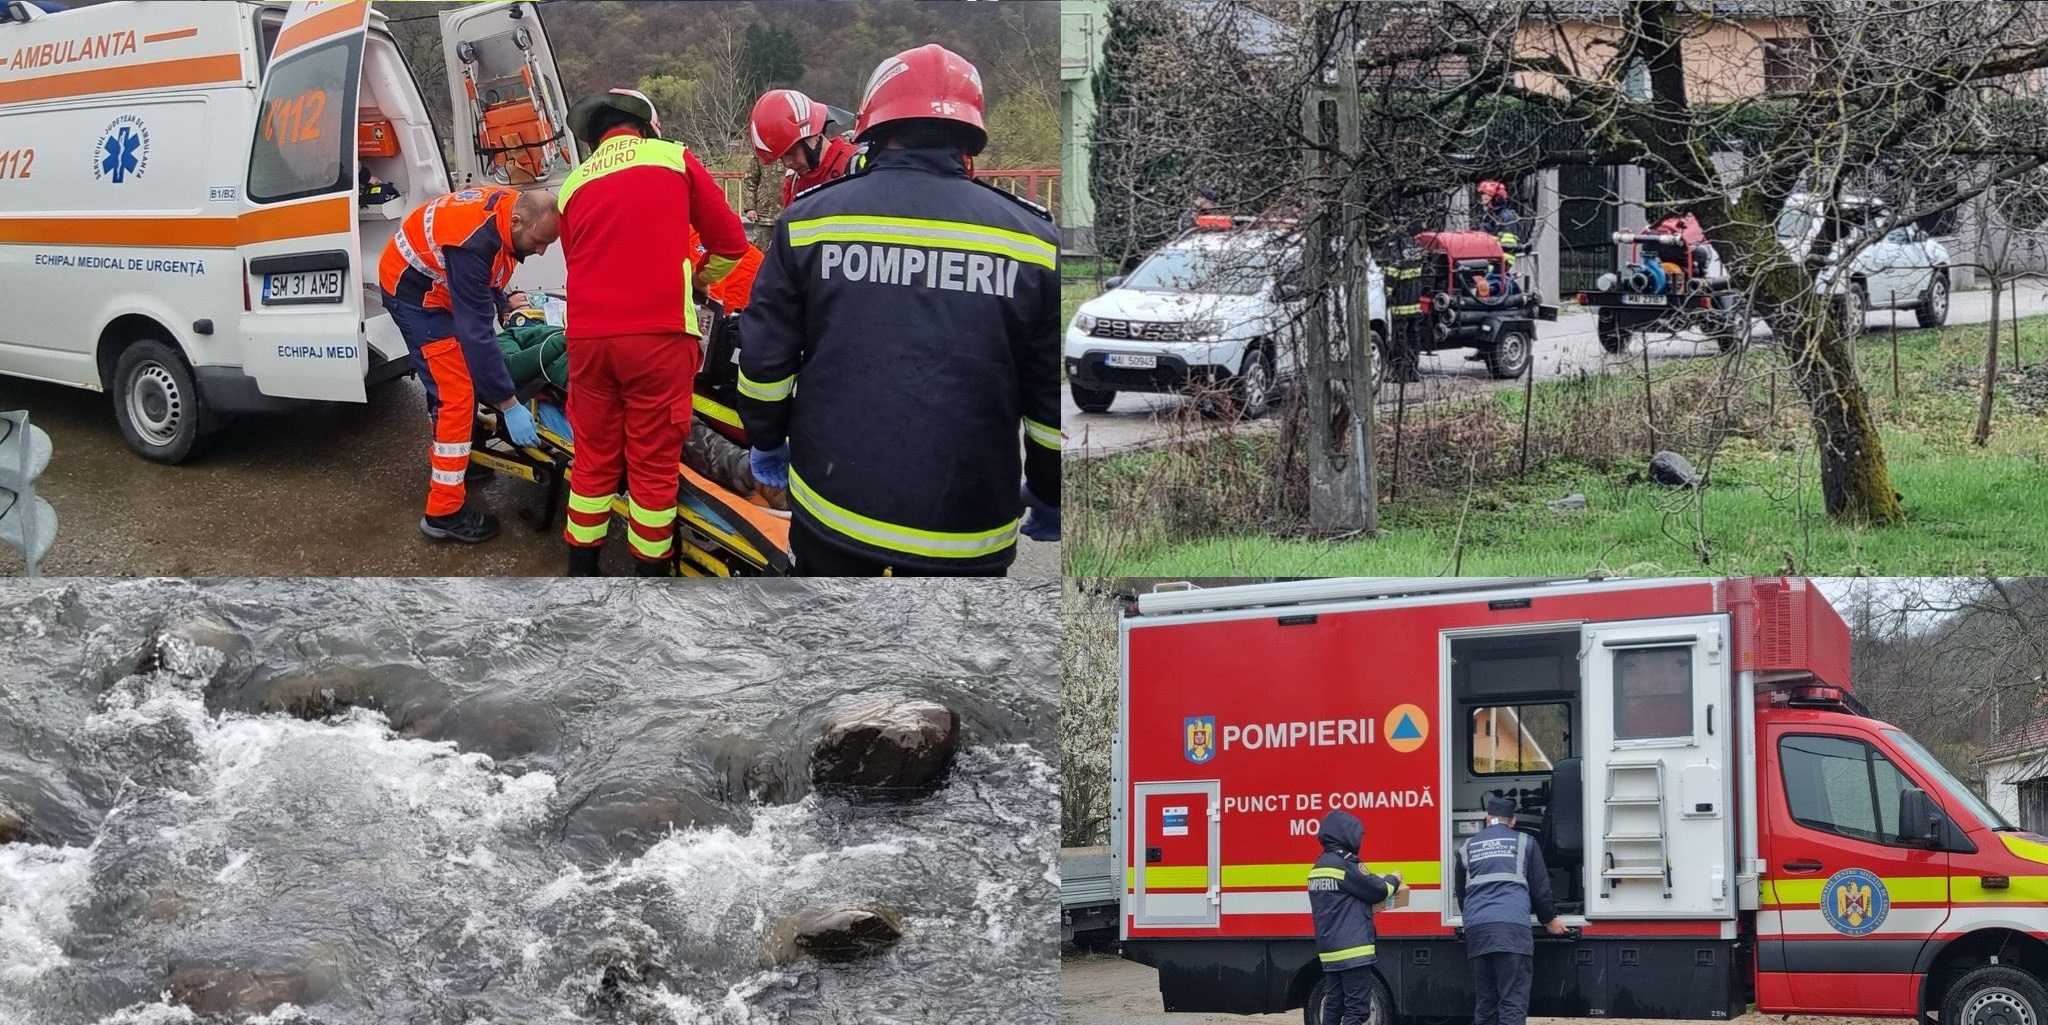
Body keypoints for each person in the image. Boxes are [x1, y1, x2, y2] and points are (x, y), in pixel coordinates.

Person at [736, 44, 1061, 577]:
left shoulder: (812, 222)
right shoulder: (1032, 240)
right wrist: (1050, 488)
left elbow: (765, 361)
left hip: (832, 510)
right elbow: (1049, 404)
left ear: (871, 125)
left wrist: (767, 442)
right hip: (965, 531)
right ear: (970, 133)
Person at [556, 88, 750, 577]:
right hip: (658, 339)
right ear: (645, 126)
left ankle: (581, 576)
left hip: (586, 340)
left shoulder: (571, 184)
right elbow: (731, 243)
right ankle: (649, 587)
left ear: (595, 137)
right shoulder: (672, 158)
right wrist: (696, 279)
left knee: (594, 461)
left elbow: (580, 262)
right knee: (651, 469)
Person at [378, 184, 559, 544]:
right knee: (457, 395)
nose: (540, 251)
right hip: (416, 297)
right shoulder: (475, 241)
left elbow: (486, 274)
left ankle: (460, 459)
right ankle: (443, 513)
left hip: (435, 285)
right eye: (539, 241)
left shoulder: (507, 213)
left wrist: (504, 302)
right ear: (519, 221)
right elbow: (476, 332)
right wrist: (508, 404)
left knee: (456, 382)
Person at [1454, 795, 1566, 1025]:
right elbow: (1540, 887)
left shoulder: (1466, 848)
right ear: (1513, 821)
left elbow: (1461, 892)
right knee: (1512, 1001)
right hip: (1512, 928)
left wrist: (1471, 921)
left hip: (1478, 930)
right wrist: (1549, 919)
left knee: (1486, 1002)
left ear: (1487, 818)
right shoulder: (1525, 843)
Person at [1307, 810, 1402, 1025]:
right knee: (1357, 1010)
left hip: (1330, 952)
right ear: (1345, 835)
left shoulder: (1318, 866)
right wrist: (1394, 878)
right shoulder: (1345, 864)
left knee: (1333, 1007)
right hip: (1353, 951)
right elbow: (1380, 890)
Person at [749, 88, 859, 208]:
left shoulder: (857, 167)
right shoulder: (792, 183)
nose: (787, 163)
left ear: (814, 134)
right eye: (781, 157)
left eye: (791, 152)